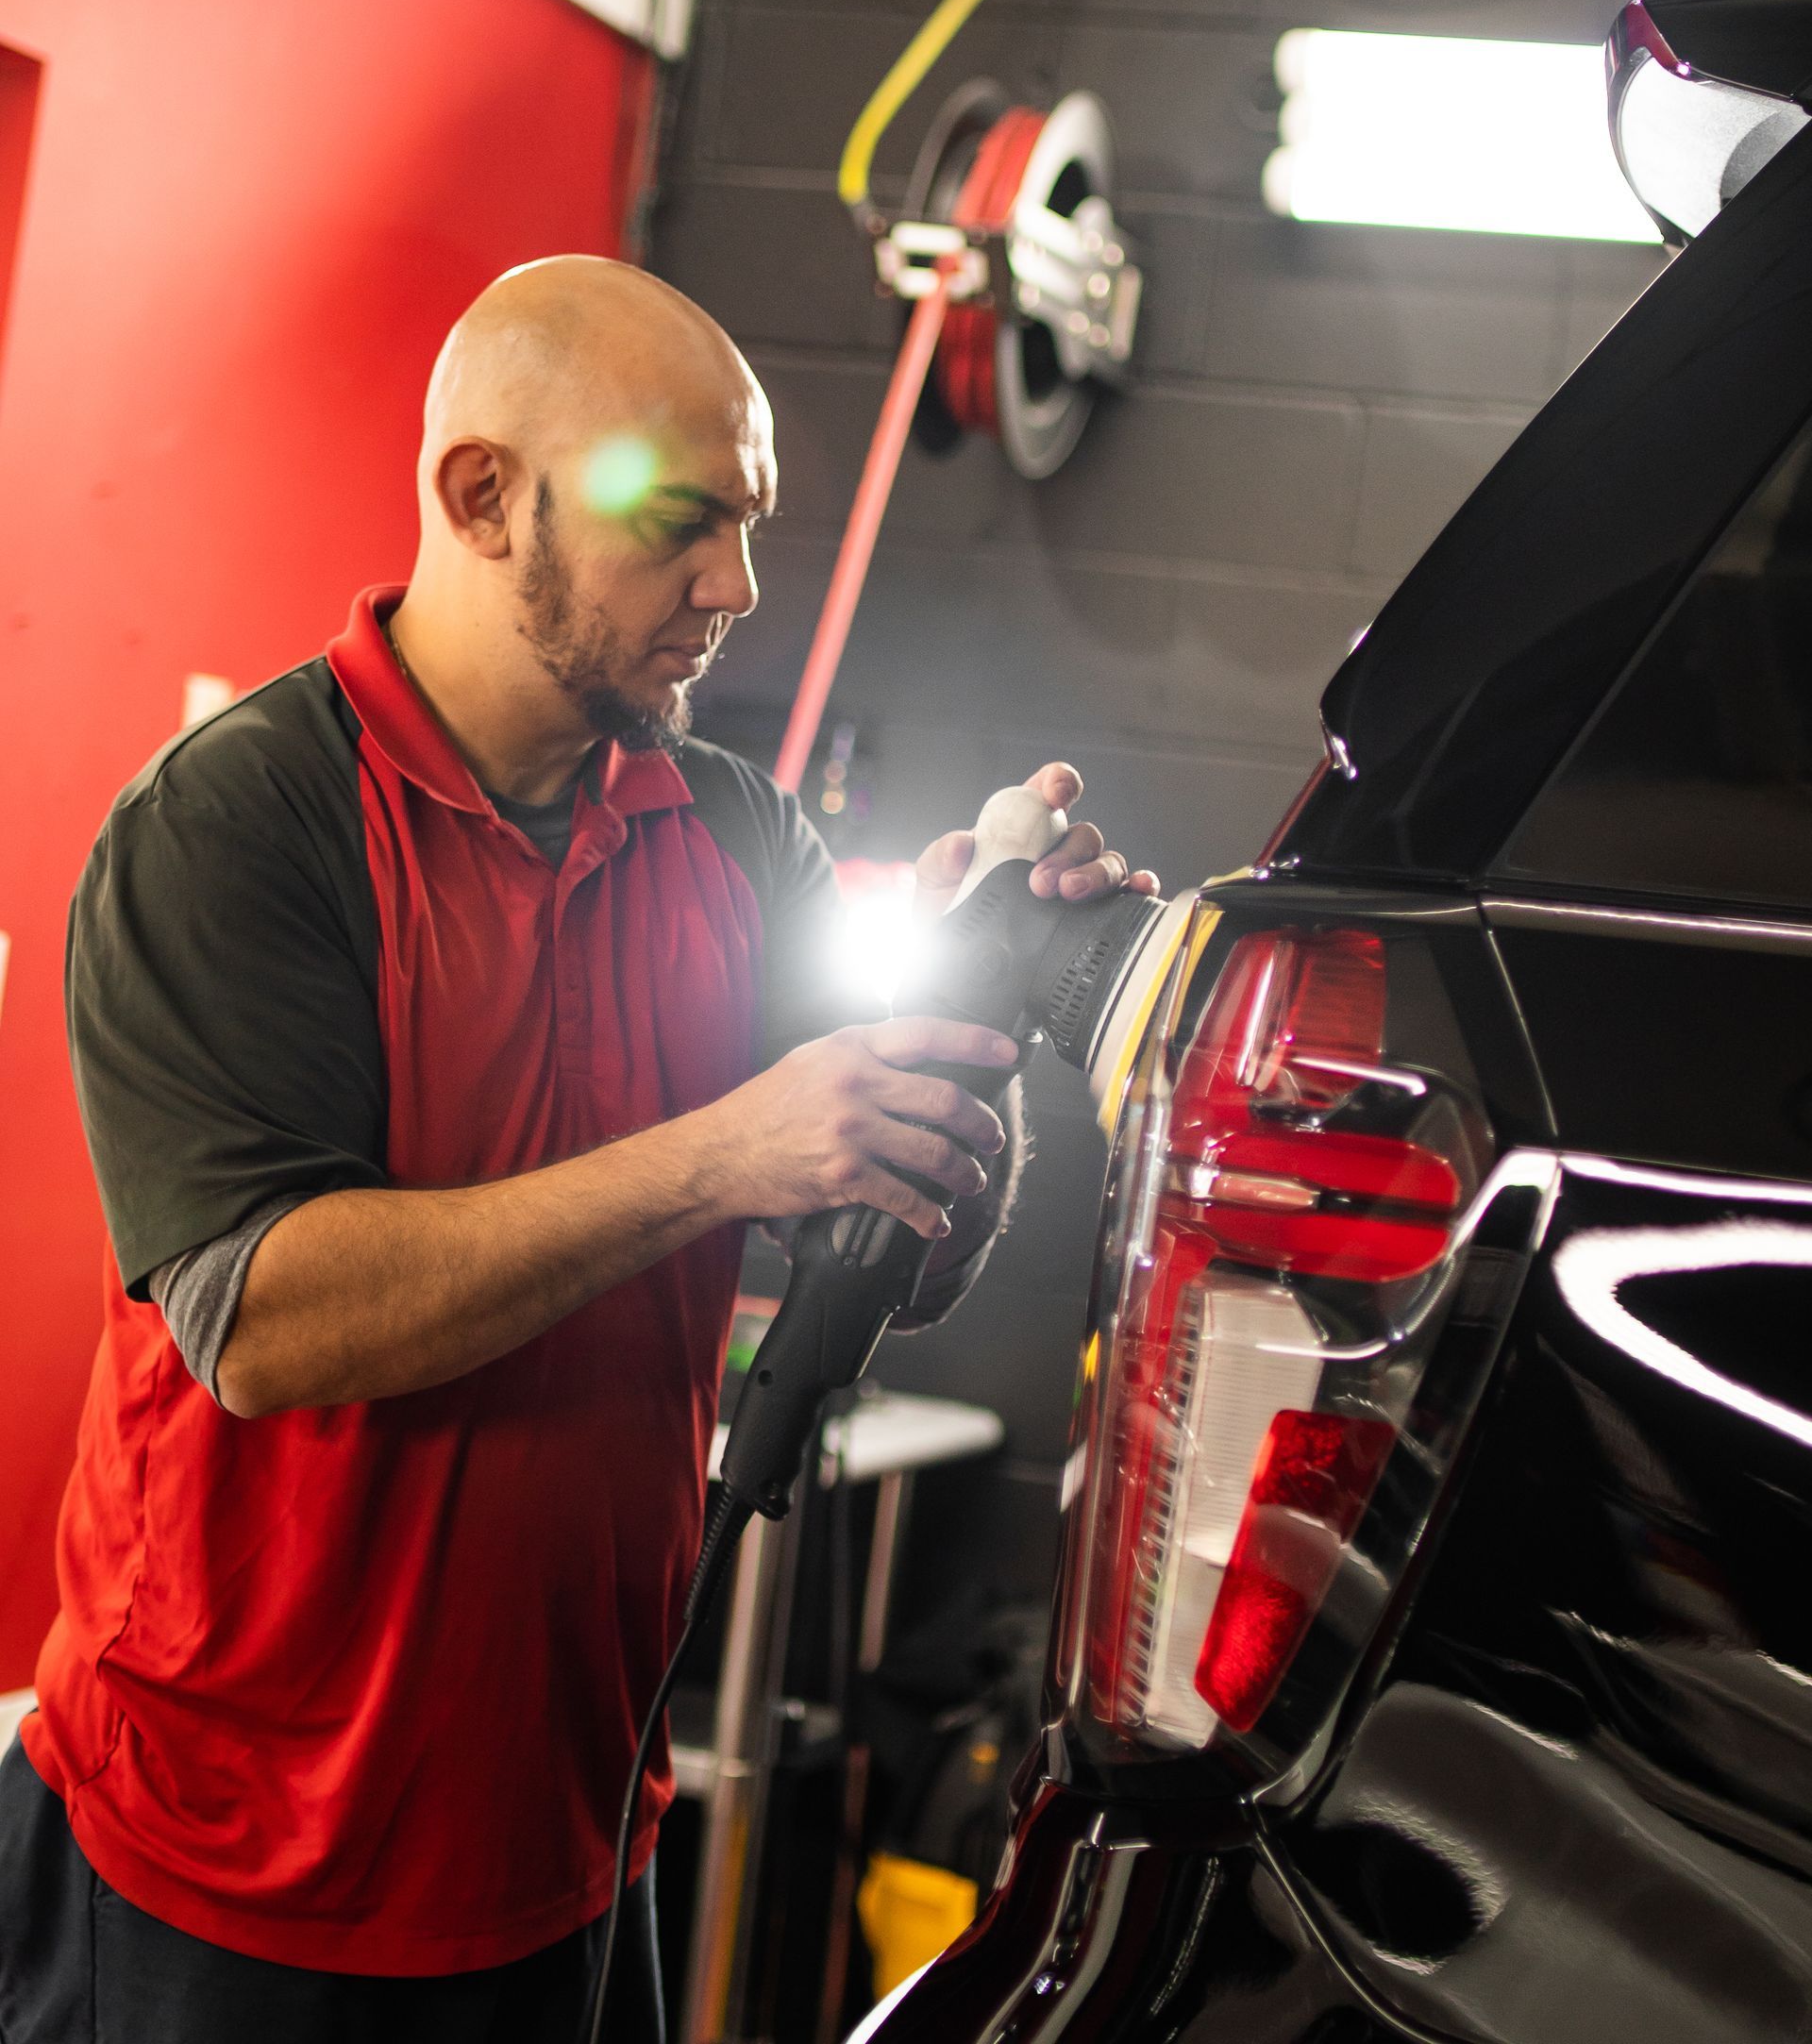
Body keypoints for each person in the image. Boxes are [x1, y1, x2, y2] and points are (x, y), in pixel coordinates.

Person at [0, 258, 1158, 2043]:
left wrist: (967, 1042)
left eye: (753, 525)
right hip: (230, 1867)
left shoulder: (731, 831)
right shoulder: (243, 821)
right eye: (680, 526)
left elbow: (896, 1251)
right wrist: (722, 1156)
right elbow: (266, 1321)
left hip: (566, 1836)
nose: (738, 590)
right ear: (482, 498)